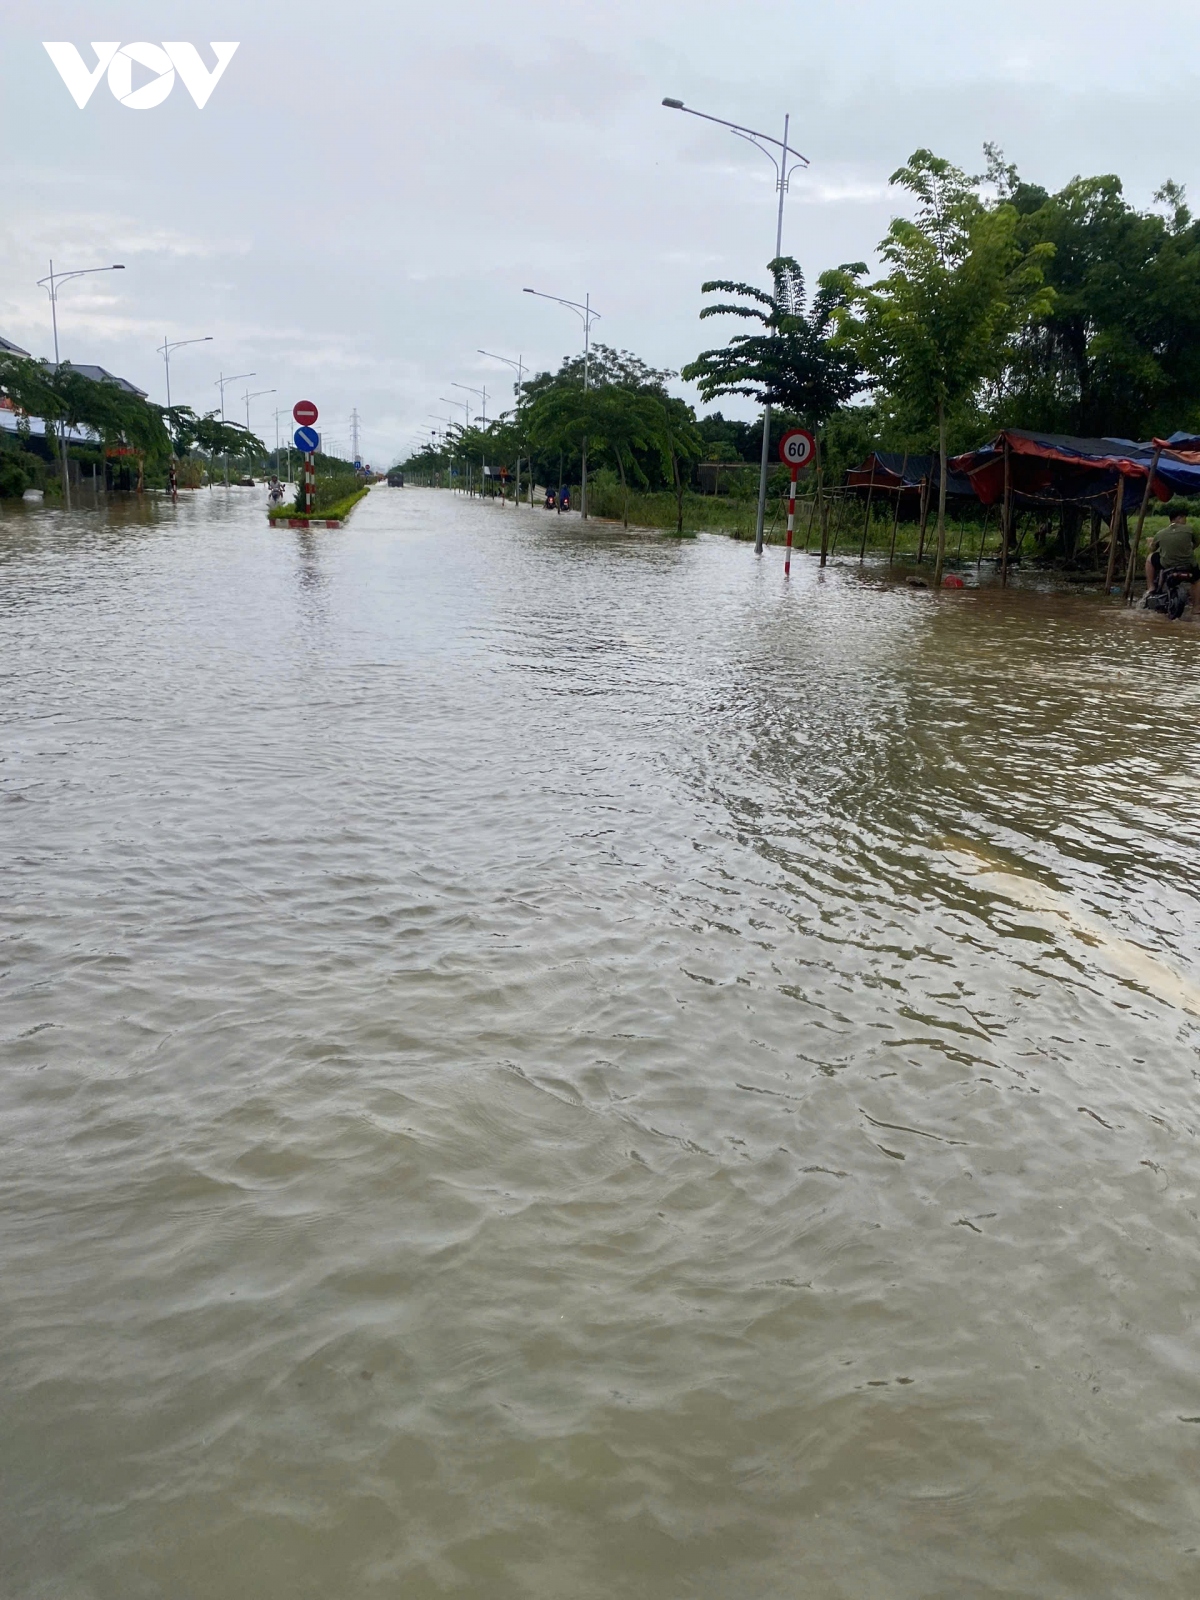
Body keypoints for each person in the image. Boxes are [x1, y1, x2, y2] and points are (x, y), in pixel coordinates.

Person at [1146, 506, 1200, 605]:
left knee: (1150, 558)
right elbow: (1197, 543)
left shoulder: (1160, 533)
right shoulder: (1190, 529)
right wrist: (1188, 549)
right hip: (1188, 565)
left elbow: (1152, 549)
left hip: (1168, 565)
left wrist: (1150, 542)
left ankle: (1151, 587)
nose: (1185, 521)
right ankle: (1196, 608)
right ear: (1179, 518)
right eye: (1184, 518)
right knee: (1196, 580)